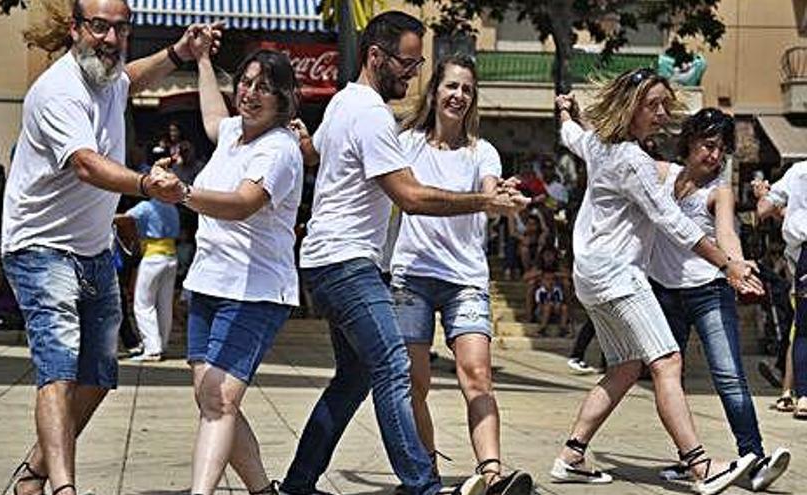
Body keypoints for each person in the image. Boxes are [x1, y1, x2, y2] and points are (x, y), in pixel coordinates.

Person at [280, 12, 529, 495]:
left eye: (418, 65)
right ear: (375, 56)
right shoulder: (372, 113)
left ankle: (297, 485)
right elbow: (410, 197)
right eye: (407, 64)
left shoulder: (341, 104)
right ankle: (423, 486)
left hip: (327, 260)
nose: (413, 75)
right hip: (348, 264)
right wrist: (483, 201)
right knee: (394, 368)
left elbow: (320, 158)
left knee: (353, 379)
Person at [0, 1, 217, 494]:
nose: (112, 39)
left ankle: (33, 475)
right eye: (100, 27)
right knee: (58, 369)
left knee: (98, 375)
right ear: (77, 29)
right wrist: (145, 183)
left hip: (94, 249)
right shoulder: (58, 91)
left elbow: (131, 79)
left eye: (121, 28)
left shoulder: (107, 77)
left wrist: (179, 53)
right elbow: (86, 165)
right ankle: (63, 487)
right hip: (41, 248)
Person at [551, 69, 763, 495]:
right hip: (618, 273)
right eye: (653, 105)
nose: (662, 113)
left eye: (665, 105)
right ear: (630, 106)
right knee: (666, 361)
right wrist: (728, 266)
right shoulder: (632, 159)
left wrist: (564, 112)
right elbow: (673, 225)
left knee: (627, 366)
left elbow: (571, 135)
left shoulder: (599, 144)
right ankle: (700, 466)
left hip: (589, 273)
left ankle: (572, 455)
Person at [388, 54, 533, 495]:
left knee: (477, 375)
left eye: (467, 90)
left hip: (465, 277)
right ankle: (426, 475)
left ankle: (492, 475)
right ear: (434, 92)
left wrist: (502, 198)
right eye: (452, 86)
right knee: (414, 382)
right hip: (410, 274)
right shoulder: (406, 142)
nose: (459, 96)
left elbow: (490, 191)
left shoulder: (482, 151)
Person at [178, 32, 303, 495]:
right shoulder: (232, 132)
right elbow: (213, 116)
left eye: (264, 86)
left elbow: (243, 203)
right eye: (246, 83)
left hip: (255, 291)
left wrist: (183, 193)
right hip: (209, 281)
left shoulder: (280, 150)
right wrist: (204, 60)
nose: (250, 93)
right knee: (211, 398)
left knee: (220, 399)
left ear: (284, 98)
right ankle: (263, 492)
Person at [648, 108, 790, 490]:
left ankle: (754, 458)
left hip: (709, 290)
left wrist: (739, 266)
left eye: (722, 150)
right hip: (662, 292)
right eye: (709, 145)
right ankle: (692, 460)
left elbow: (727, 233)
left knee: (729, 375)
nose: (714, 156)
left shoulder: (720, 191)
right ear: (690, 140)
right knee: (667, 381)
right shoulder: (662, 175)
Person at [753, 159, 807, 419]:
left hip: (805, 256)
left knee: (803, 329)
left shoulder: (799, 172)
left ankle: (801, 395)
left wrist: (762, 195)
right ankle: (791, 392)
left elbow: (763, 210)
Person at [115, 196, 180, 361]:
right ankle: (161, 345)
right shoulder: (172, 206)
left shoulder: (146, 206)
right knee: (164, 305)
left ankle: (152, 348)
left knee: (143, 304)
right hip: (171, 256)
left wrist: (106, 216)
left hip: (153, 256)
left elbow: (126, 218)